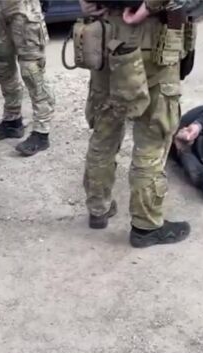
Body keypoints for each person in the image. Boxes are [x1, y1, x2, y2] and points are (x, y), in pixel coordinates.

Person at [80, 0, 193, 248]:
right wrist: (150, 6)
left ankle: (98, 208)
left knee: (105, 129)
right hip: (151, 39)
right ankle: (146, 225)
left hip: (104, 34)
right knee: (152, 135)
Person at [0, 0, 56, 157]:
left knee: (31, 69)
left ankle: (41, 131)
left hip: (23, 6)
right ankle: (12, 121)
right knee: (2, 66)